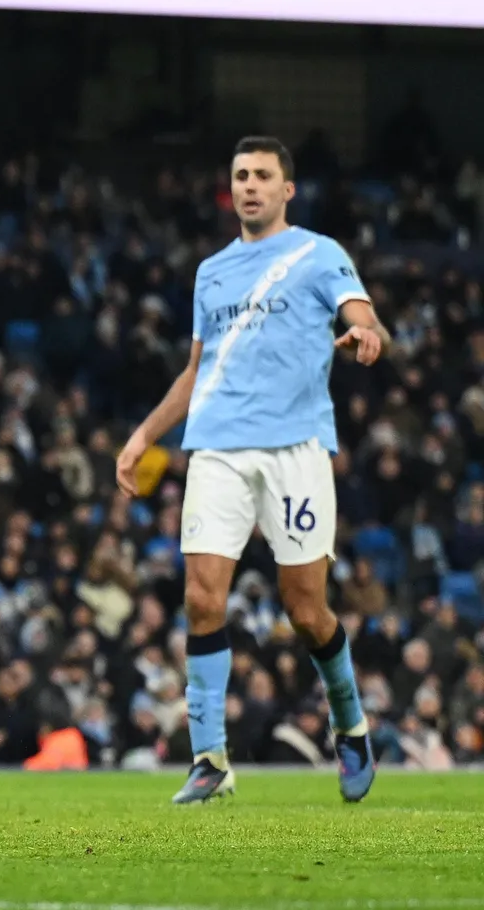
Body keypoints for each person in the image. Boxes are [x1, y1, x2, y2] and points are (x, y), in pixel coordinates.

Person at [116, 135, 388, 806]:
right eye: (240, 175)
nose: (250, 186)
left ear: (287, 189)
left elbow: (361, 312)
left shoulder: (318, 254)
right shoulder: (212, 271)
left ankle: (349, 723)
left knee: (306, 610)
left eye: (263, 175)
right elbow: (195, 371)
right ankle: (209, 757)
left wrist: (365, 333)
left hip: (296, 448)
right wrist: (145, 436)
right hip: (217, 448)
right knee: (202, 597)